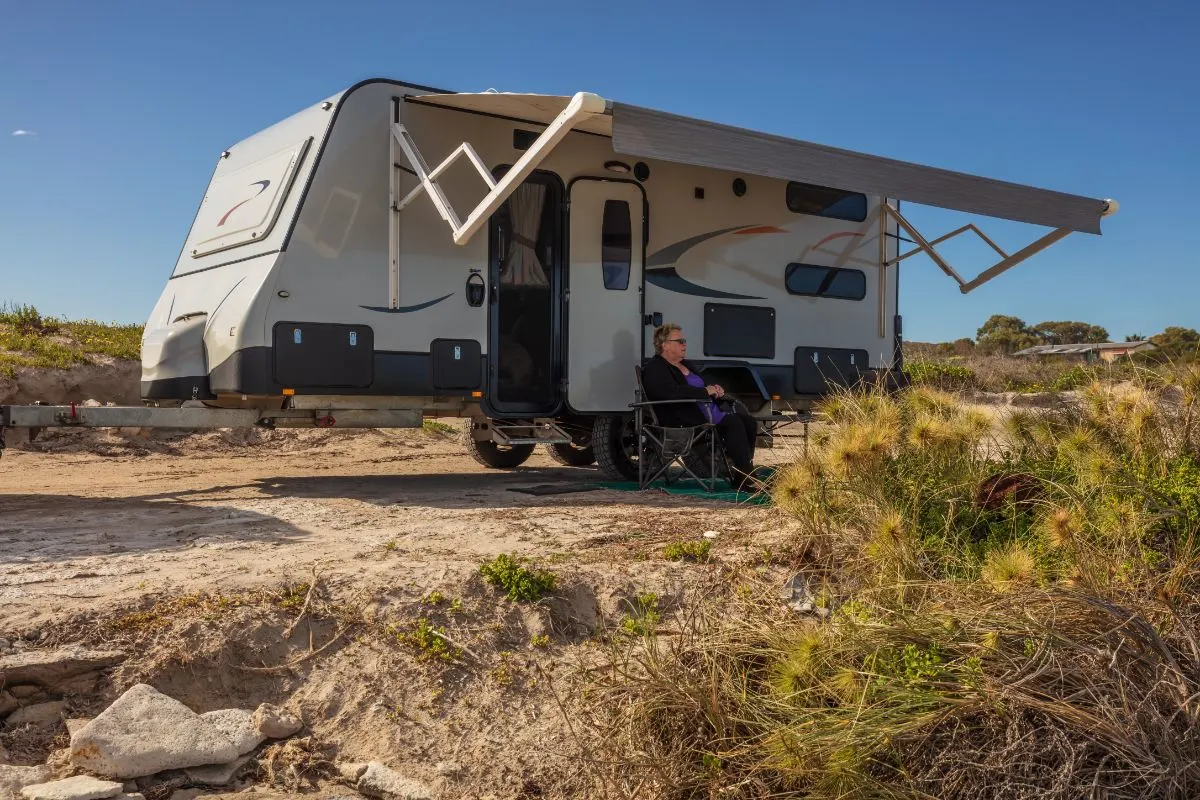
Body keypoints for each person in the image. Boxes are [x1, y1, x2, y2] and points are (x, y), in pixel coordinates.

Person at [641, 322, 759, 491]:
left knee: (749, 422)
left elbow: (699, 388)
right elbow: (670, 392)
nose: (684, 344)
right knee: (734, 424)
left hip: (708, 414)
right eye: (679, 341)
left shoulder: (687, 365)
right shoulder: (656, 367)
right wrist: (704, 391)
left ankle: (742, 476)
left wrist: (714, 390)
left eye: (685, 341)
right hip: (684, 420)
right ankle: (748, 478)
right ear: (664, 345)